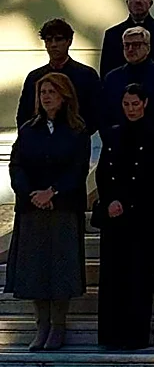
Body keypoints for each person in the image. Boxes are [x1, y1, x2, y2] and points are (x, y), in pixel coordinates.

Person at [5, 73, 91, 351]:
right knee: (35, 269)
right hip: (32, 209)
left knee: (60, 268)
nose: (46, 97)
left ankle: (57, 325)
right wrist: (31, 193)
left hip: (63, 207)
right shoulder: (29, 129)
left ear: (64, 96)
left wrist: (53, 192)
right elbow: (17, 165)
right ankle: (41, 324)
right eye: (43, 92)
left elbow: (78, 168)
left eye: (52, 92)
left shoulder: (77, 130)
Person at [95, 83, 154, 350]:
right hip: (114, 217)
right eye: (126, 104)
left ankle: (136, 335)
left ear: (145, 103)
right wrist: (110, 200)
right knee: (113, 277)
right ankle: (111, 335)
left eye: (135, 104)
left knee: (138, 277)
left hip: (142, 216)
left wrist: (133, 204)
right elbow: (103, 173)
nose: (131, 109)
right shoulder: (113, 134)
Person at [16, 18, 101, 133]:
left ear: (69, 41)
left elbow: (96, 113)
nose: (53, 45)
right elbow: (24, 114)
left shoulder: (87, 75)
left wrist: (81, 135)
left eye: (58, 39)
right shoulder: (34, 77)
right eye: (49, 40)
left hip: (76, 137)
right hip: (41, 138)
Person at [100, 27, 154, 133]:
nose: (130, 49)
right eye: (126, 45)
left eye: (136, 45)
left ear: (148, 48)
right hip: (119, 137)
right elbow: (106, 114)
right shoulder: (112, 78)